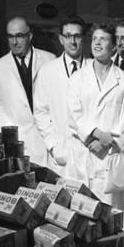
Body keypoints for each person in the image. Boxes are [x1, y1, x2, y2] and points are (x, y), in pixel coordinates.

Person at [67, 22, 124, 211]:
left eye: (103, 39)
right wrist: (96, 134)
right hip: (84, 154)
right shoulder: (78, 78)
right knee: (80, 216)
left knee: (109, 218)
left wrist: (107, 141)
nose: (97, 43)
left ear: (114, 46)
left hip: (110, 156)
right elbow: (73, 115)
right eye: (95, 39)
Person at [0, 16, 55, 165]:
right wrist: (10, 128)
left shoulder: (49, 59)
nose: (14, 42)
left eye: (19, 36)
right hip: (20, 140)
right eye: (10, 36)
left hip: (50, 138)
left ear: (29, 36)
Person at [34, 16, 88, 175]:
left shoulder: (93, 69)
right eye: (68, 36)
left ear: (83, 38)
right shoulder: (47, 71)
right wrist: (54, 146)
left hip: (89, 155)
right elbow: (40, 112)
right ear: (61, 39)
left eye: (77, 36)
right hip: (61, 152)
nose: (73, 41)